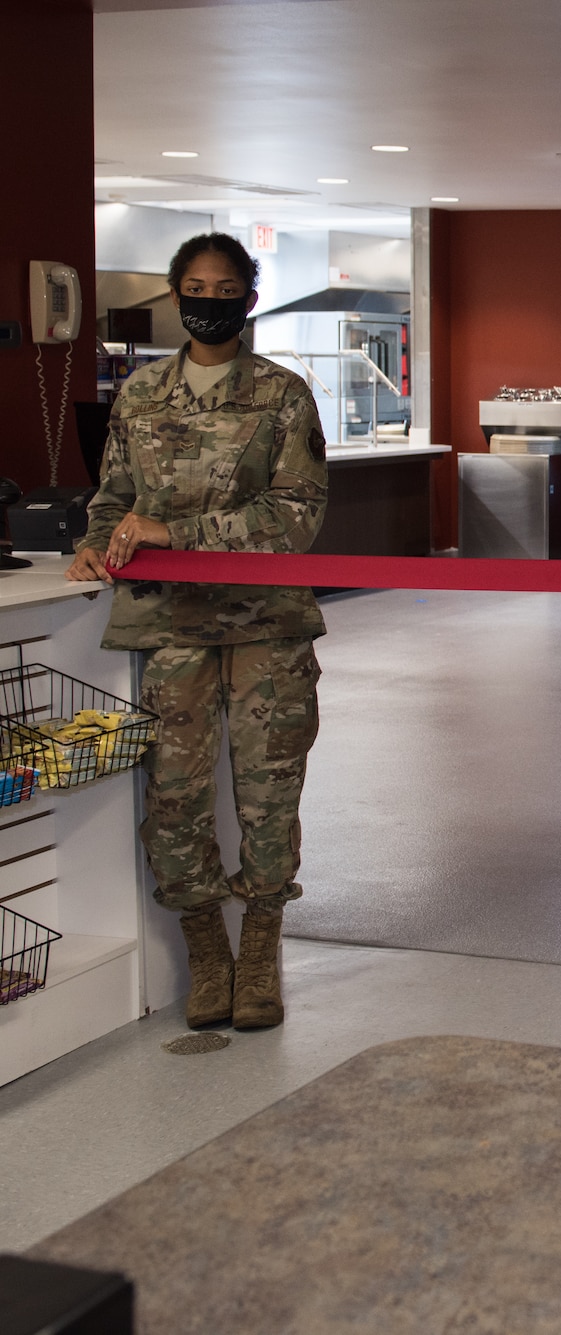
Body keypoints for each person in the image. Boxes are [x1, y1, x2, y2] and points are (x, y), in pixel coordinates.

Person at [68, 232, 329, 1032]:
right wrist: (95, 537)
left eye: (224, 287)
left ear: (248, 299)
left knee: (267, 795)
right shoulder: (141, 394)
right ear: (175, 294)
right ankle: (206, 953)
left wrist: (178, 534)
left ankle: (259, 955)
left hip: (265, 627)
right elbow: (113, 497)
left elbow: (296, 516)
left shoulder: (283, 396)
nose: (207, 299)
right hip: (168, 625)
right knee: (174, 799)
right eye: (193, 285)